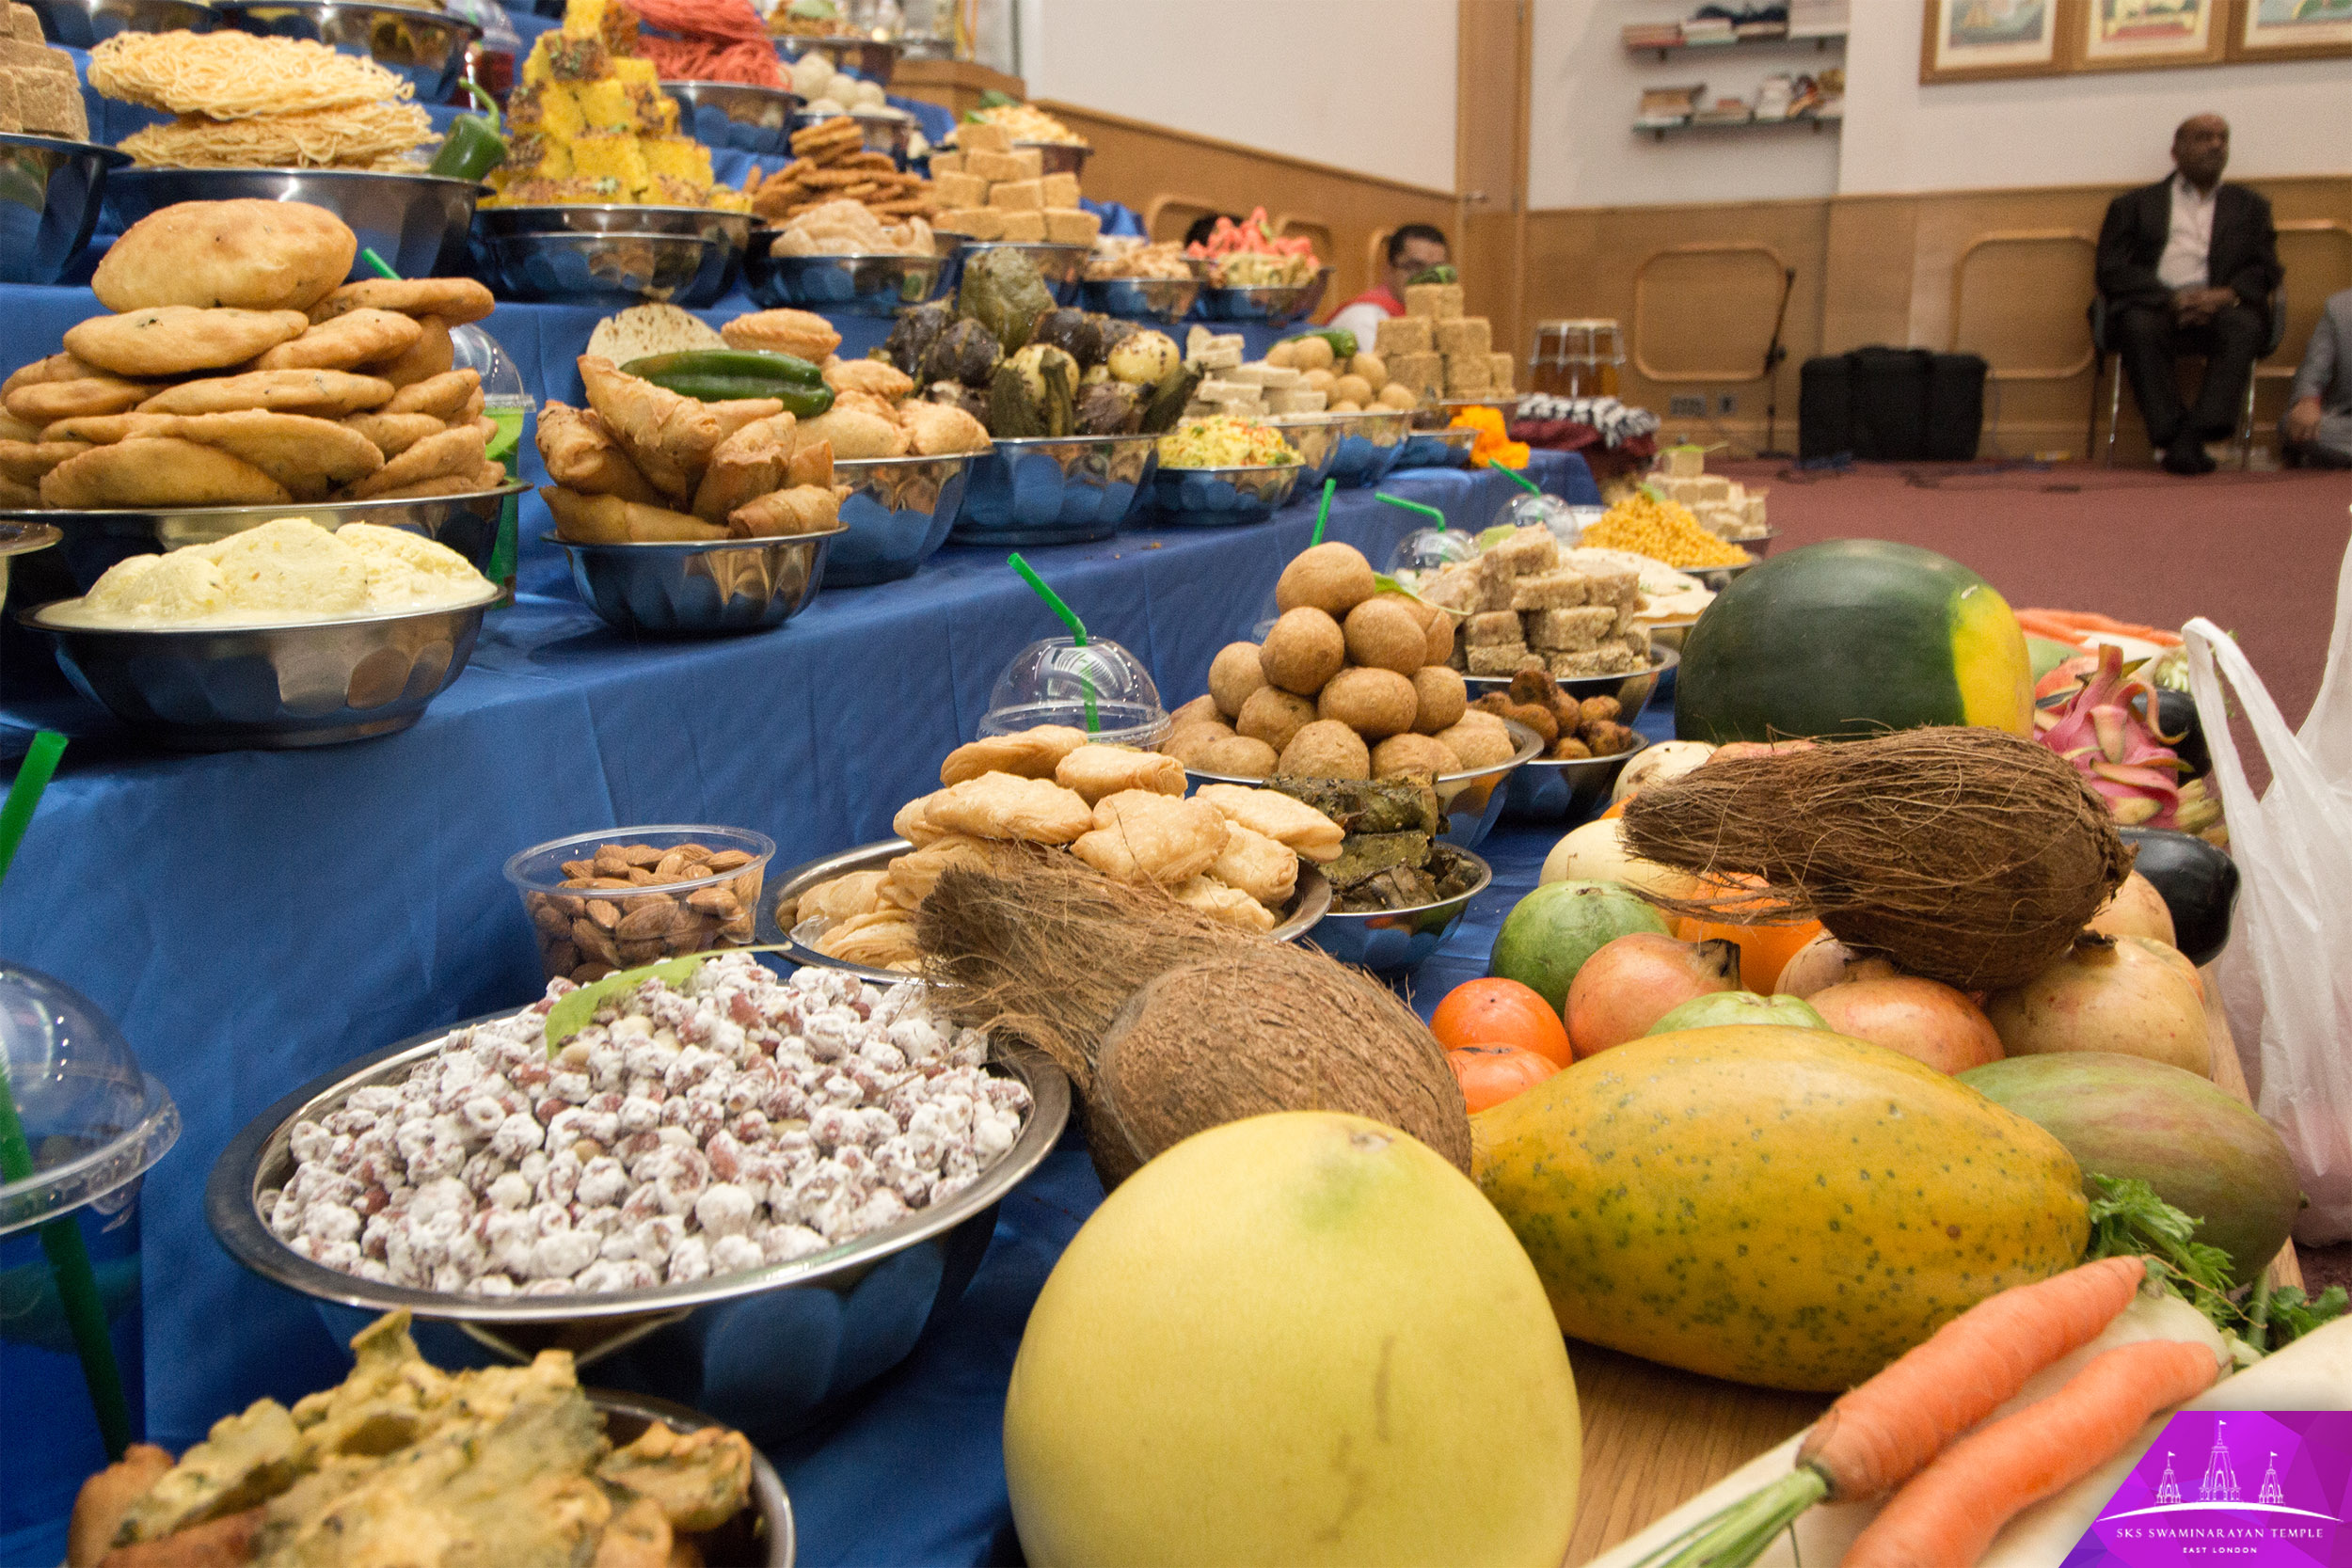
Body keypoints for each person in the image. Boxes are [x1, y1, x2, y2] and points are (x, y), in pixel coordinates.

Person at [2094, 114, 2281, 476]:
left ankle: (2189, 436)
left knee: (2244, 324)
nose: (2215, 145)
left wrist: (2226, 295)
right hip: (2155, 303)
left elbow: (2266, 269)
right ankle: (2177, 436)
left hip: (2222, 304)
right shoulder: (2133, 205)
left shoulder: (2250, 207)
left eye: (2222, 138)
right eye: (2203, 137)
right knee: (2138, 325)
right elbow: (2111, 269)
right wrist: (2171, 299)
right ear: (2175, 151)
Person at [1326, 224, 1451, 349]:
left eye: (1436, 270)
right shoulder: (1364, 318)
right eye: (1415, 267)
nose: (1427, 279)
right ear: (1389, 270)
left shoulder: (1441, 321)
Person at [2281, 288, 2352, 468]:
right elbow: (2313, 371)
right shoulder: (2339, 308)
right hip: (2345, 424)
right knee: (2293, 425)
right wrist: (2306, 401)